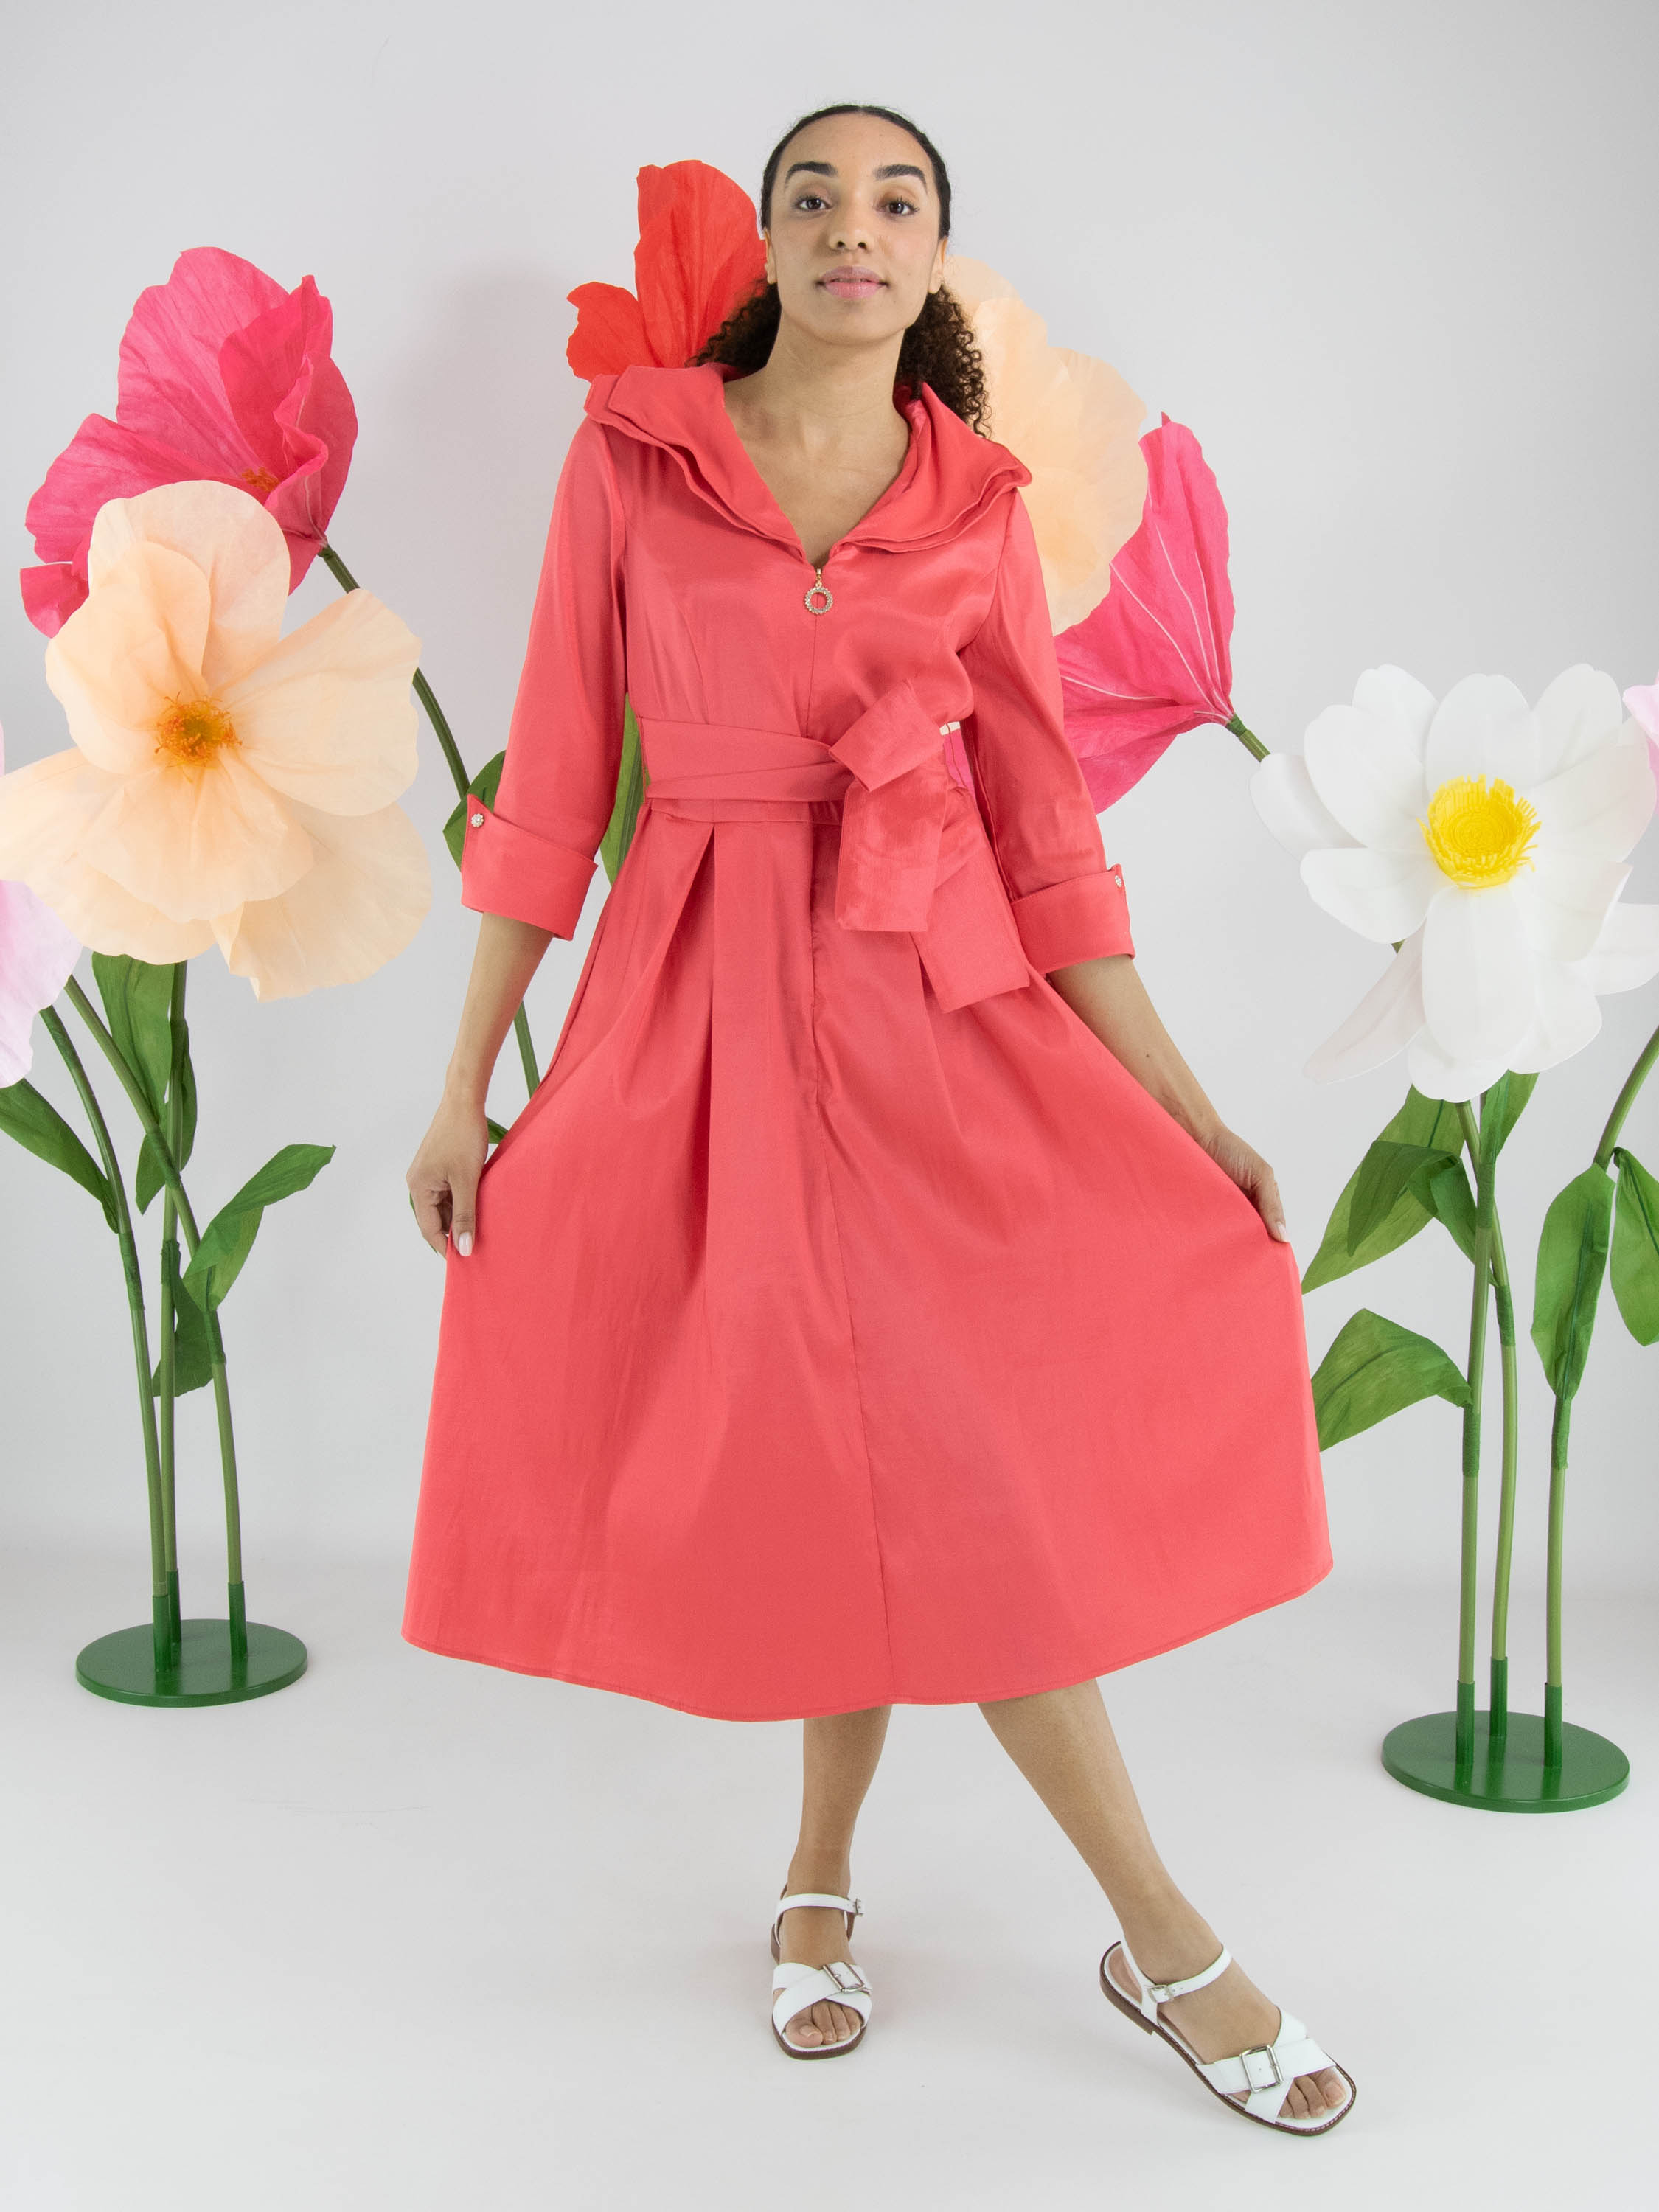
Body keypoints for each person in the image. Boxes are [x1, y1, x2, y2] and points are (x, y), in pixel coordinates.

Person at [401, 102, 1354, 2133]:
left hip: (937, 1017)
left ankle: (1158, 1938)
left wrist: (1184, 1108)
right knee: (808, 1465)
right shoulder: (633, 455)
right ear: (769, 243)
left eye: (895, 200)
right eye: (815, 196)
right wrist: (467, 1083)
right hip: (696, 1020)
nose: (854, 225)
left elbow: (1048, 838)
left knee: (955, 1477)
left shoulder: (981, 504)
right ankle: (828, 1874)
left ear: (932, 256)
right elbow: (552, 777)